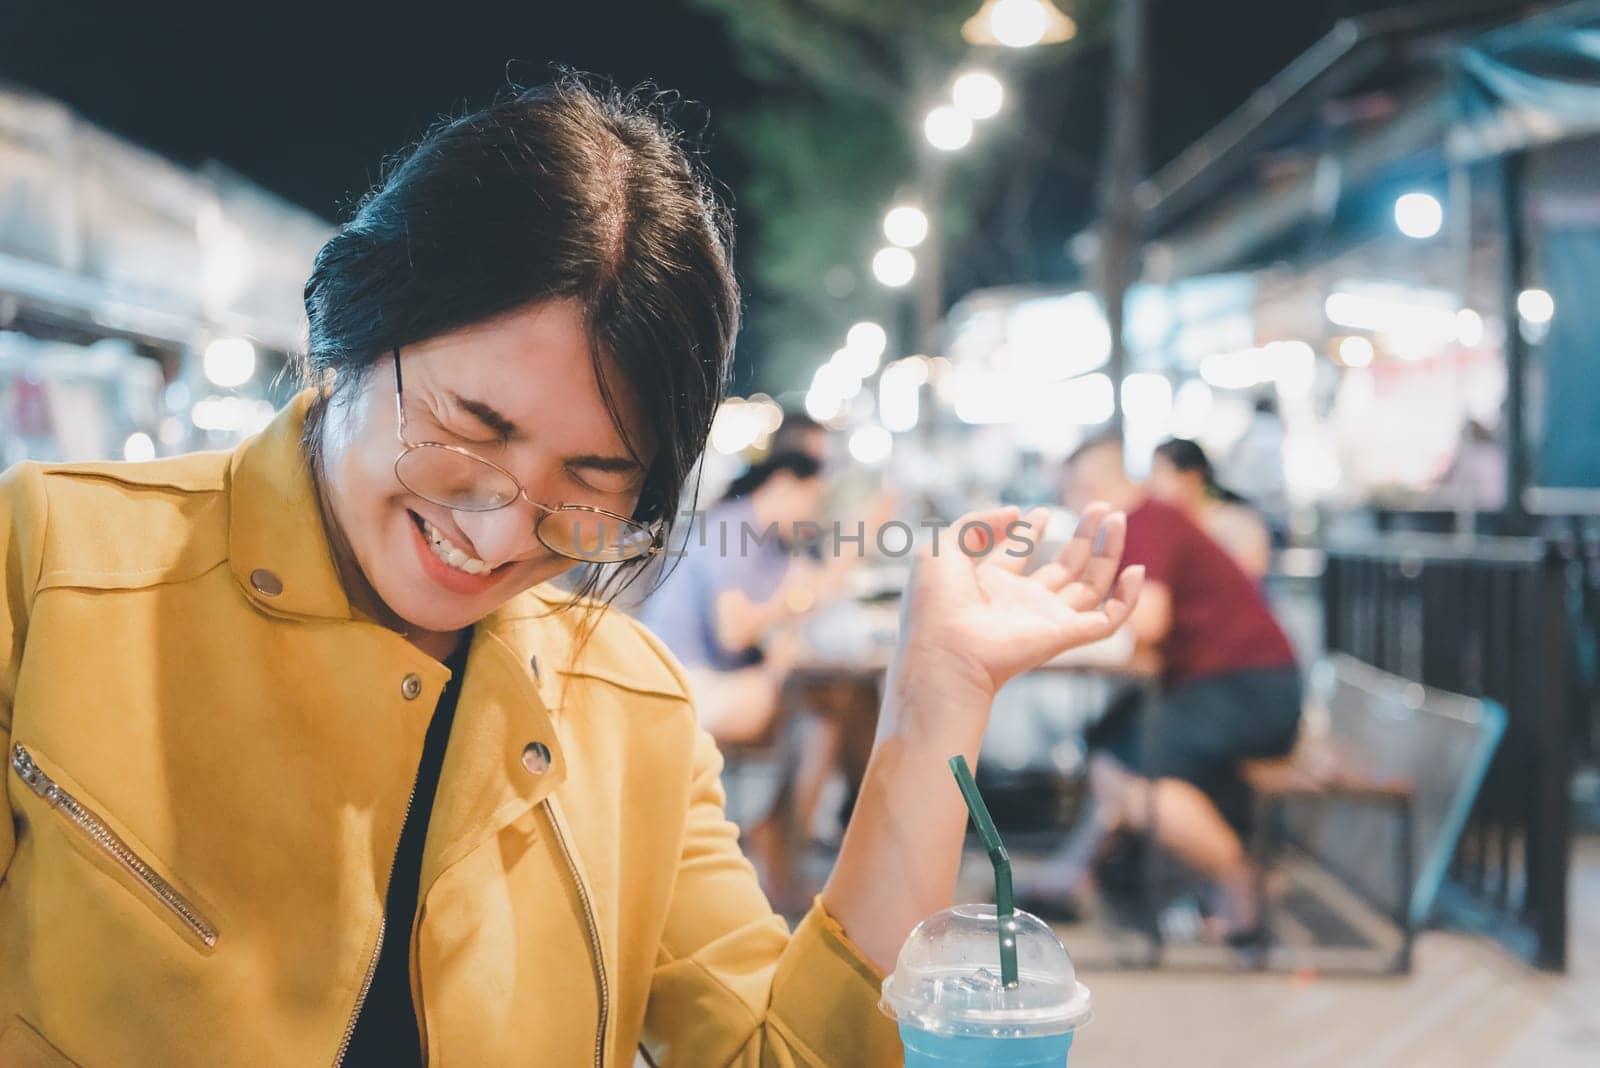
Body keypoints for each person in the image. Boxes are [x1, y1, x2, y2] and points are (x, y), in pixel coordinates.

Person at [0, 77, 1143, 1066]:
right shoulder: (53, 569)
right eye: (469, 427)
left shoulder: (629, 714)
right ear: (349, 331)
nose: (501, 532)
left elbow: (784, 1057)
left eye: (590, 483)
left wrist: (932, 695)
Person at [1027, 435, 1299, 939]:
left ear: (1088, 489)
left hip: (1248, 689)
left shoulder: (1143, 521)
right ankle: (1075, 869)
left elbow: (1147, 622)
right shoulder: (1150, 519)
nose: (1070, 508)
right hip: (1225, 683)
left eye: (1070, 495)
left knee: (1136, 785)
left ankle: (1241, 886)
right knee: (1109, 744)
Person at [637, 449, 829, 745]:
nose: (813, 516)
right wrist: (791, 601)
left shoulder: (769, 540)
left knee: (813, 700)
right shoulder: (736, 529)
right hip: (678, 679)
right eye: (812, 501)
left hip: (704, 673)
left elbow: (817, 587)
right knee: (800, 699)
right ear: (783, 484)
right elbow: (734, 634)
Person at [1147, 437, 1272, 582]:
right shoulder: (1167, 529)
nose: (1151, 484)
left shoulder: (1236, 525)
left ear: (1192, 477)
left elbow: (1250, 577)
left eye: (1159, 472)